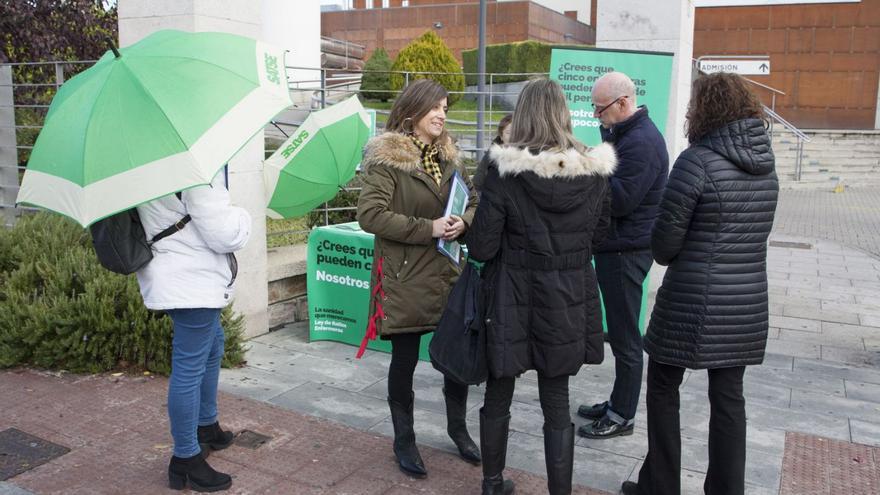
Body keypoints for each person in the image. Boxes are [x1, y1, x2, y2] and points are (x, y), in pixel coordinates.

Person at [620, 73, 779, 495]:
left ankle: (660, 487)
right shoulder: (767, 164)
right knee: (729, 399)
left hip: (692, 301)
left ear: (703, 110)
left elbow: (665, 247)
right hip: (746, 303)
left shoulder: (696, 161)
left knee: (663, 387)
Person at [464, 78, 617, 495]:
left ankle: (492, 484)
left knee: (499, 389)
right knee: (556, 399)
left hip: (510, 294)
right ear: (564, 113)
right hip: (566, 294)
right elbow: (599, 235)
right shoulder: (593, 169)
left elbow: (482, 245)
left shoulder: (504, 170)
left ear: (525, 114)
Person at [356, 79, 480, 478]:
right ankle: (404, 439)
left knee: (455, 358)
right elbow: (370, 215)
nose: (442, 114)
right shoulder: (387, 159)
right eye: (435, 108)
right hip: (406, 276)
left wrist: (464, 221)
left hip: (447, 274)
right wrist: (428, 227)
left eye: (445, 107)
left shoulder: (450, 158)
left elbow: (474, 201)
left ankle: (458, 430)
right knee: (405, 360)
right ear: (413, 112)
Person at [135, 172, 251, 492]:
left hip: (176, 274)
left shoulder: (146, 163)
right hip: (191, 281)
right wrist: (243, 214)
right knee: (188, 368)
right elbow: (225, 235)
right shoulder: (195, 171)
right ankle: (185, 458)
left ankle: (206, 426)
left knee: (214, 344)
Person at [578, 71, 668, 440]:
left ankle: (622, 414)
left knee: (625, 336)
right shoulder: (628, 135)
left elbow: (619, 199)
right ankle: (618, 400)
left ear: (623, 103)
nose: (597, 117)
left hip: (626, 250)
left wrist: (587, 166)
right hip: (619, 246)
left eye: (601, 110)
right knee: (619, 332)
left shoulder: (641, 143)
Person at [473, 113, 513, 191]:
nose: (513, 136)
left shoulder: (528, 157)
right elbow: (477, 183)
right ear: (501, 136)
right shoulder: (491, 155)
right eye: (508, 133)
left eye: (516, 132)